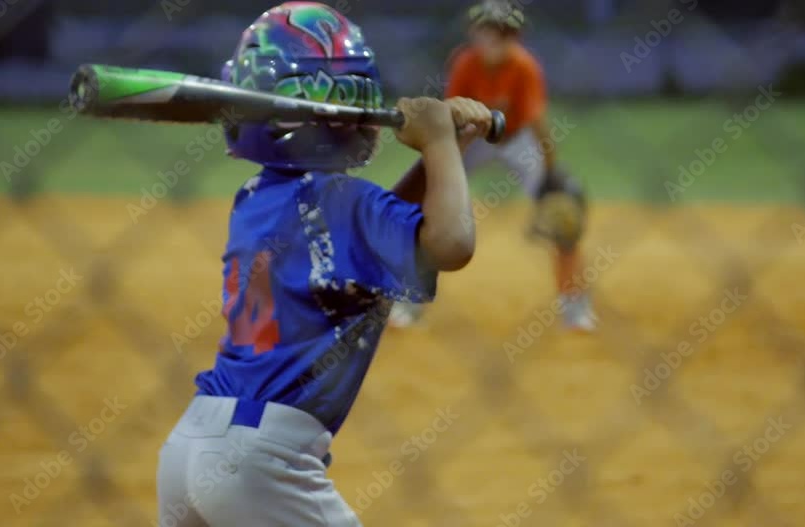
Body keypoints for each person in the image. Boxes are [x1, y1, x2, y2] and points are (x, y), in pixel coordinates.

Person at [155, 3, 493, 526]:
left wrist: (444, 152)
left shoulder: (258, 198)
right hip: (262, 465)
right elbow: (452, 244)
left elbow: (385, 235)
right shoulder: (343, 205)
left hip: (190, 445)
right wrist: (441, 144)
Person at [388, 0, 597, 331]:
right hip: (474, 137)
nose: (496, 40)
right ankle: (410, 303)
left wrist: (550, 178)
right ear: (475, 33)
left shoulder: (524, 66)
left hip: (516, 141)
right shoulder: (465, 62)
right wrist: (440, 168)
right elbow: (450, 118)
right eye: (489, 31)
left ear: (516, 37)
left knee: (564, 210)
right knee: (430, 210)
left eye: (505, 33)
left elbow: (537, 125)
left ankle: (575, 308)